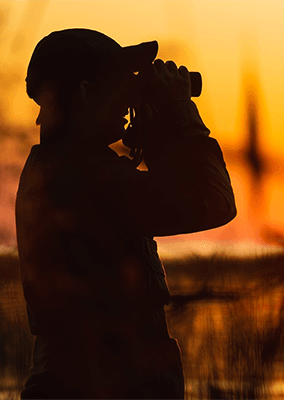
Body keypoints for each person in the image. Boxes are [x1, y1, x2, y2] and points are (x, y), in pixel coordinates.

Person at [15, 28, 236, 399]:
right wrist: (183, 118)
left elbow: (167, 198)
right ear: (86, 94)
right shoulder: (88, 178)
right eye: (120, 85)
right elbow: (212, 201)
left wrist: (158, 139)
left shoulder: (60, 169)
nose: (128, 98)